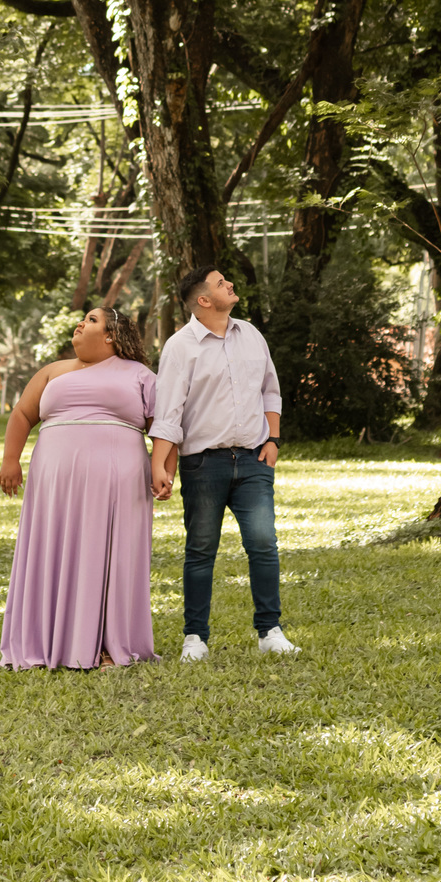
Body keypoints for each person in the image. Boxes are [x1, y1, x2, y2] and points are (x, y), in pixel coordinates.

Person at [150, 264, 300, 660]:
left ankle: (270, 631)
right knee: (200, 550)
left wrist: (274, 440)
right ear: (203, 300)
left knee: (264, 544)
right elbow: (168, 413)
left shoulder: (249, 334)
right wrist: (159, 467)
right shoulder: (180, 347)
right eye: (220, 284)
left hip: (253, 460)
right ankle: (194, 638)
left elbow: (271, 390)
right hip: (203, 465)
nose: (229, 284)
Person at [0, 304, 157, 670]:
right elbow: (23, 414)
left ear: (110, 336)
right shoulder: (52, 372)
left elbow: (162, 428)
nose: (80, 323)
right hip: (54, 483)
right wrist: (11, 460)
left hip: (118, 484)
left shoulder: (140, 375)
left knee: (108, 558)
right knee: (51, 550)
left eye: (91, 319)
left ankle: (105, 646)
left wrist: (163, 469)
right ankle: (42, 642)